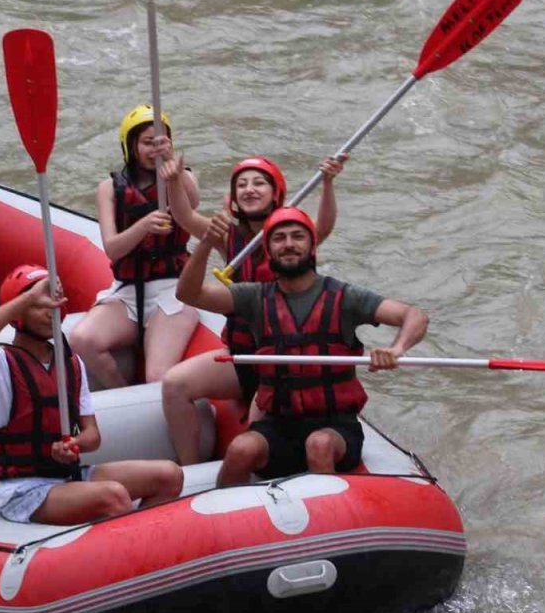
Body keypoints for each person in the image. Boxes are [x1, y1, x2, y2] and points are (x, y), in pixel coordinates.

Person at [176, 207, 428, 485]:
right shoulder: (254, 297)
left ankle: (330, 516)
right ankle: (224, 520)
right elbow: (189, 293)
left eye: (298, 237)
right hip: (278, 425)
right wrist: (207, 243)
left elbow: (414, 315)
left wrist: (396, 349)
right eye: (279, 238)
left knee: (318, 444)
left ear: (312, 247)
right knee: (239, 449)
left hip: (335, 427)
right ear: (269, 252)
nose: (288, 244)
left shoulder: (344, 297)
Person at [158, 154, 346, 464]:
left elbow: (322, 228)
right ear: (233, 198)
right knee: (174, 384)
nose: (250, 189)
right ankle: (190, 468)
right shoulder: (228, 236)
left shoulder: (291, 239)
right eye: (242, 184)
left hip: (283, 364)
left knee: (260, 431)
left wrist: (327, 183)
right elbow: (184, 216)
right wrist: (174, 180)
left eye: (259, 183)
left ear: (276, 194)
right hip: (242, 357)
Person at [0, 265, 184, 525]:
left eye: (53, 303)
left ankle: (135, 550)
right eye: (39, 306)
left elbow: (93, 436)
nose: (50, 311)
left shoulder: (71, 363)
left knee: (170, 475)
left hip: (71, 475)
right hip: (25, 490)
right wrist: (30, 296)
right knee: (115, 497)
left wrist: (74, 445)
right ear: (19, 312)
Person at [67, 105, 200, 388]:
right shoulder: (108, 188)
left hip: (174, 290)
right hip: (128, 290)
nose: (154, 149)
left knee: (157, 376)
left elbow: (193, 204)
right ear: (131, 146)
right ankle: (122, 392)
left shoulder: (183, 178)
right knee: (81, 339)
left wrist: (173, 170)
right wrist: (143, 226)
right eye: (146, 143)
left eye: (160, 142)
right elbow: (113, 249)